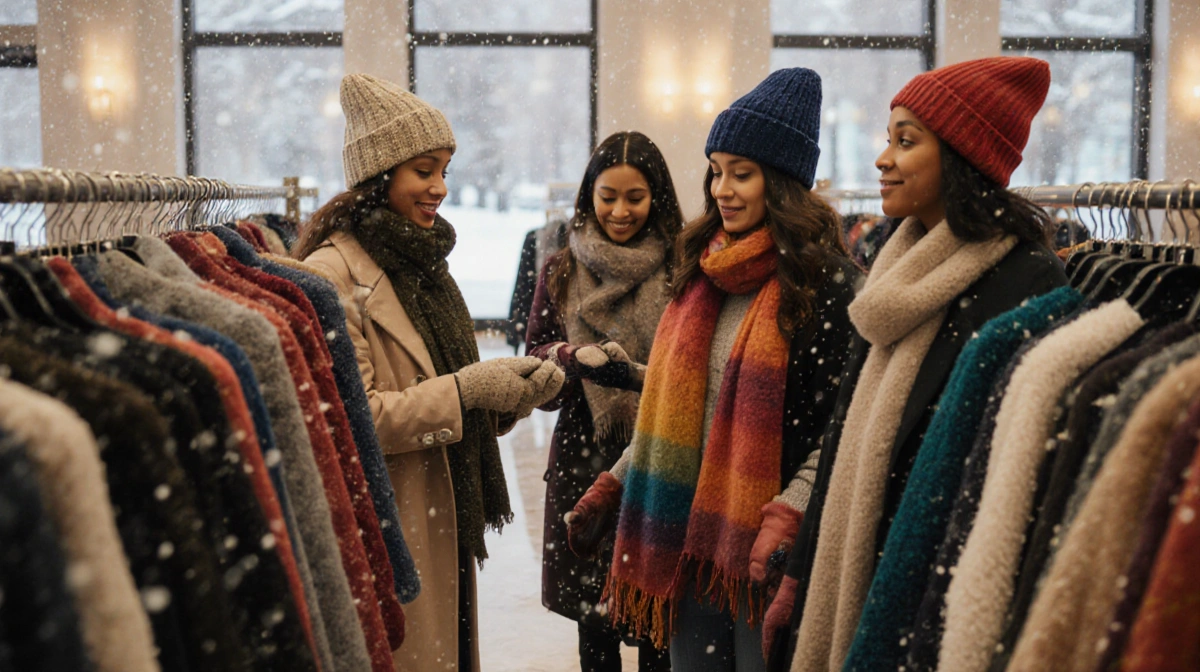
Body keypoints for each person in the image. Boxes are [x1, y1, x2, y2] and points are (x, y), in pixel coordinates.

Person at [766, 56, 1070, 672]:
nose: (883, 158)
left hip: (930, 575)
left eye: (906, 141)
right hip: (849, 561)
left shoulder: (1026, 283)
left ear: (962, 156)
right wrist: (800, 573)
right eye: (888, 138)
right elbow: (846, 428)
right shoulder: (888, 273)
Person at [564, 68, 863, 672]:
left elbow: (842, 426)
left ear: (782, 183)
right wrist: (616, 483)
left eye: (742, 174)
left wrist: (788, 513)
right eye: (717, 170)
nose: (723, 189)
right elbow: (677, 409)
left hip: (768, 549)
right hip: (687, 537)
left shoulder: (825, 285)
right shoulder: (700, 272)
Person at [294, 73, 565, 672]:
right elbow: (353, 418)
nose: (440, 187)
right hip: (393, 523)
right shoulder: (329, 275)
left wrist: (504, 399)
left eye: (445, 168)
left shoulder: (423, 266)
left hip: (438, 511)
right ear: (380, 172)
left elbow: (443, 392)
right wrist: (467, 391)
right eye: (424, 169)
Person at [525, 130, 684, 672]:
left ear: (656, 196)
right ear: (588, 195)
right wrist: (573, 358)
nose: (620, 211)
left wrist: (639, 375)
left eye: (634, 197)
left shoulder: (683, 268)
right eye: (607, 195)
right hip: (582, 463)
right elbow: (534, 364)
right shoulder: (560, 269)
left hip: (661, 460)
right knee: (595, 633)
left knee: (659, 629)